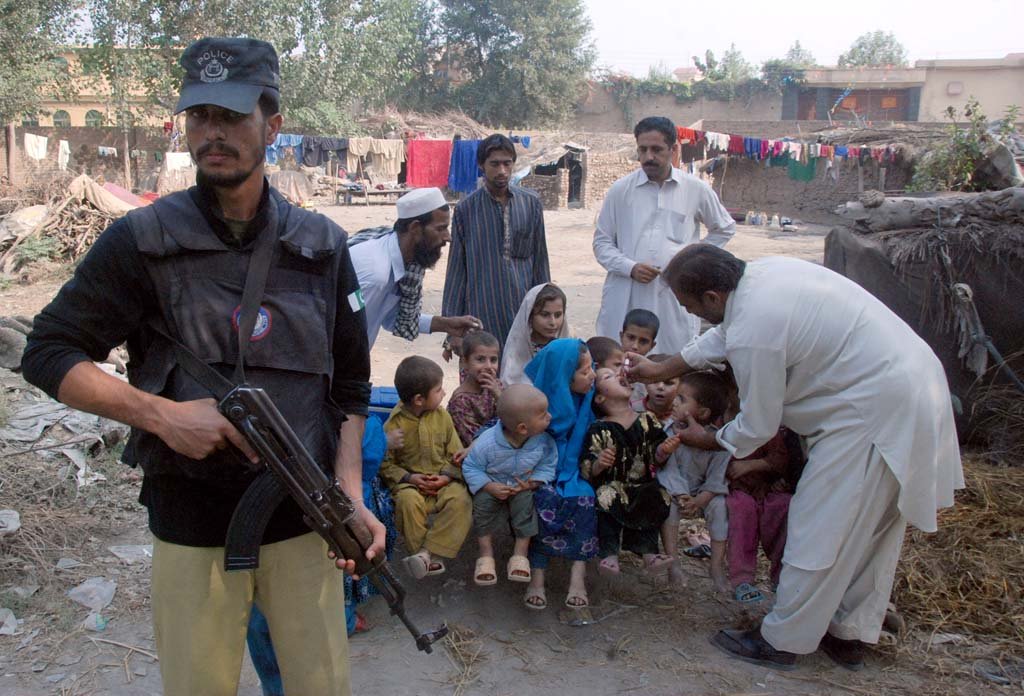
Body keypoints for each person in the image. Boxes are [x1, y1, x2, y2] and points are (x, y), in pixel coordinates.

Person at [20, 37, 382, 696]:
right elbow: (47, 351)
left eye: (232, 117)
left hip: (304, 521)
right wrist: (160, 415)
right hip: (191, 521)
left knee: (320, 686)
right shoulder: (140, 241)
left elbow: (352, 388)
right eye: (199, 116)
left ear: (272, 125)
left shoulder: (323, 246)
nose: (212, 133)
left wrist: (350, 493)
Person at [626, 244, 963, 671]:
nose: (690, 312)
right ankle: (849, 633)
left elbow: (758, 425)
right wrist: (660, 369)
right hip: (907, 388)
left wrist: (707, 438)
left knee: (817, 523)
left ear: (712, 296)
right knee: (867, 531)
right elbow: (722, 334)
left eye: (689, 304)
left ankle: (783, 639)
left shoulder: (754, 325)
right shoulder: (760, 278)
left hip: (873, 411)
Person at [594, 116, 735, 355]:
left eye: (657, 149)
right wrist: (630, 267)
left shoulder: (695, 189)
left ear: (673, 149)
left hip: (674, 294)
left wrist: (691, 260)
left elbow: (724, 228)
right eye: (643, 149)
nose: (649, 157)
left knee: (670, 363)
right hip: (626, 291)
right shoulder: (620, 190)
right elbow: (602, 242)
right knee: (619, 362)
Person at [442, 134, 550, 350]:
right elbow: (456, 271)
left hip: (524, 313)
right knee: (483, 378)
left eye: (507, 163)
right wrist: (452, 330)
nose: (502, 170)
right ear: (481, 165)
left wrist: (546, 311)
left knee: (524, 380)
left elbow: (540, 261)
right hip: (482, 316)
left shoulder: (530, 204)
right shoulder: (466, 210)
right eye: (494, 164)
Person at [348, 186, 481, 347]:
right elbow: (346, 328)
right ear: (415, 228)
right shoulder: (376, 274)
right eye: (441, 228)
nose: (448, 237)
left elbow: (392, 319)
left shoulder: (401, 261)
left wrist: (446, 325)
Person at [521, 339, 598, 610]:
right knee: (543, 499)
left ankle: (578, 577)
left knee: (585, 498)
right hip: (539, 472)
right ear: (563, 377)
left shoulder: (590, 399)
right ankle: (537, 578)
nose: (593, 375)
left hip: (577, 470)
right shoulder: (534, 406)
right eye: (585, 371)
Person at [379, 356, 472, 580]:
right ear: (419, 399)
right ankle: (424, 554)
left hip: (442, 481)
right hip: (411, 485)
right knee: (406, 504)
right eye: (439, 390)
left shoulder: (443, 417)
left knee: (461, 500)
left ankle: (426, 553)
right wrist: (410, 478)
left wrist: (448, 478)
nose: (444, 393)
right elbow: (385, 464)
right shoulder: (394, 425)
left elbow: (456, 454)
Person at [581, 368, 679, 577]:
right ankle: (609, 555)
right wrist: (599, 464)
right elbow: (588, 462)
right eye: (609, 377)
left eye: (618, 374)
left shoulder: (648, 420)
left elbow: (656, 453)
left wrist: (663, 451)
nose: (619, 376)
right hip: (612, 485)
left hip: (643, 484)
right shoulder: (598, 428)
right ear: (599, 397)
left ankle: (649, 555)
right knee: (606, 498)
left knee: (655, 496)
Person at [462, 384, 557, 586]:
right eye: (543, 415)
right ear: (522, 428)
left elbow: (548, 463)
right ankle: (486, 555)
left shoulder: (543, 442)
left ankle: (520, 555)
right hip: (492, 483)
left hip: (522, 486)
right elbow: (471, 467)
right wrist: (488, 486)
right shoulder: (487, 443)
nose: (550, 417)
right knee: (482, 507)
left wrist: (533, 483)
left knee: (525, 507)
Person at [656, 371, 733, 592]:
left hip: (703, 494)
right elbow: (668, 471)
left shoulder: (719, 441)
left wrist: (700, 501)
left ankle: (716, 566)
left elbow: (717, 479)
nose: (674, 402)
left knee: (720, 507)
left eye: (682, 399)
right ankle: (673, 563)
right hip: (675, 492)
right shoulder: (669, 432)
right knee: (668, 507)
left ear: (702, 412)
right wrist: (681, 495)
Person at [725, 422, 797, 605]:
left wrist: (753, 465)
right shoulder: (728, 420)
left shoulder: (771, 425)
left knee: (784, 507)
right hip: (737, 488)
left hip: (768, 489)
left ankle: (781, 577)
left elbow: (781, 459)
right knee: (741, 511)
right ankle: (742, 580)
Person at [500, 283, 571, 385]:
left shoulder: (569, 347)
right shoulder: (517, 352)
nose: (553, 322)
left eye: (558, 315)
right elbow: (510, 385)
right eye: (544, 315)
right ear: (530, 315)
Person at [448, 331, 503, 446]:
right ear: (465, 362)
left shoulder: (496, 386)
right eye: (480, 359)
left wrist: (499, 396)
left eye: (493, 360)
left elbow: (516, 417)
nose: (488, 366)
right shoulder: (460, 401)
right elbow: (476, 442)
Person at [619, 309, 660, 412]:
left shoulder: (653, 374)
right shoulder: (609, 367)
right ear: (621, 336)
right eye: (631, 337)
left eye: (643, 341)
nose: (635, 346)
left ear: (652, 345)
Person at [642, 354, 680, 422]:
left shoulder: (683, 415)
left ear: (680, 386)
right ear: (645, 382)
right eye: (654, 381)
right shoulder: (630, 409)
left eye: (668, 383)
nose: (660, 387)